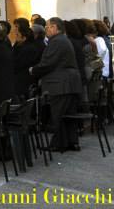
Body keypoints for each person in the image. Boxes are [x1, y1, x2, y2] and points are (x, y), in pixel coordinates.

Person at [31, 17, 82, 151]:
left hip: (60, 84)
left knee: (59, 114)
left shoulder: (57, 42)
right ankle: (71, 142)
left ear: (55, 28)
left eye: (48, 27)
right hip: (68, 83)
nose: (46, 29)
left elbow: (48, 63)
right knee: (68, 115)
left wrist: (33, 70)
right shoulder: (63, 40)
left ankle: (58, 144)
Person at [11, 18, 42, 100]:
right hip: (18, 80)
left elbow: (18, 63)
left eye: (17, 27)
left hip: (24, 82)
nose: (15, 30)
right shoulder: (19, 45)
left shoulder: (28, 48)